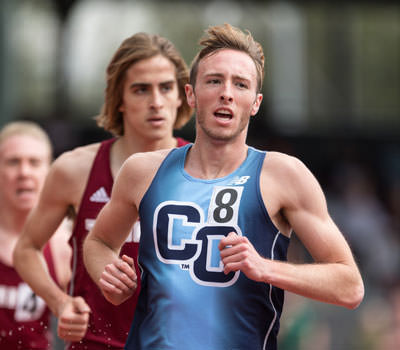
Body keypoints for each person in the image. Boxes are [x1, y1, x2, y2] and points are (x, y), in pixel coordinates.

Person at [83, 23, 364, 350]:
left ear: (255, 102)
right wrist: (109, 275)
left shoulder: (282, 175)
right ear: (190, 94)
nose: (226, 93)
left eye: (240, 84)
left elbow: (349, 286)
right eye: (214, 80)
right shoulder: (143, 171)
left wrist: (265, 268)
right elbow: (99, 242)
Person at [13, 32, 193, 350]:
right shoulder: (75, 169)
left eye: (166, 87)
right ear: (119, 99)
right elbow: (26, 249)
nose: (156, 101)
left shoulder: (205, 171)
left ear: (182, 95)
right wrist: (60, 303)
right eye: (141, 89)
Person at [0, 121, 71, 349]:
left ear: (49, 171)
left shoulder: (64, 244)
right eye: (13, 162)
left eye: (34, 162)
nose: (24, 172)